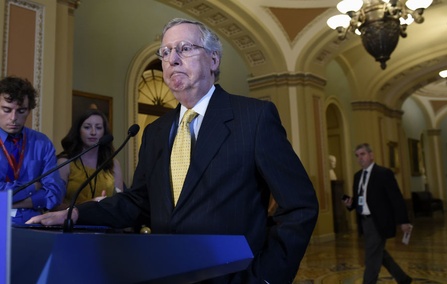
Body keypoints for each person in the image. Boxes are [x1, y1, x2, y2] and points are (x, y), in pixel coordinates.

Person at [27, 18, 319, 283]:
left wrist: (267, 277)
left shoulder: (253, 118)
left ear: (213, 59)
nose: (172, 60)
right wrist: (76, 214)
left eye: (184, 48)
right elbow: (138, 202)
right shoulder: (155, 132)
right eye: (165, 53)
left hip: (233, 275)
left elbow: (299, 205)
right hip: (165, 273)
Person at [343, 143, 413, 284]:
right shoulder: (357, 176)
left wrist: (404, 221)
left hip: (379, 221)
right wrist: (351, 204)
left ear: (371, 155)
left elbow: (396, 198)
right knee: (379, 253)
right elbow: (361, 200)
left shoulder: (383, 173)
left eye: (363, 154)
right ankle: (402, 278)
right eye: (357, 156)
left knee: (372, 256)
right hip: (364, 221)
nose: (360, 158)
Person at [0, 76, 64, 224]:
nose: (14, 118)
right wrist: (33, 187)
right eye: (6, 110)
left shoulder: (42, 143)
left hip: (33, 225)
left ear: (29, 110)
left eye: (21, 111)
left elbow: (55, 193)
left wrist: (11, 202)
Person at [53, 108, 123, 210]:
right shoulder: (65, 162)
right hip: (71, 222)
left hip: (105, 222)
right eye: (87, 127)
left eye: (98, 128)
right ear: (78, 131)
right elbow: (54, 206)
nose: (93, 132)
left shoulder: (113, 163)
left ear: (104, 132)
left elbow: (119, 203)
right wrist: (88, 205)